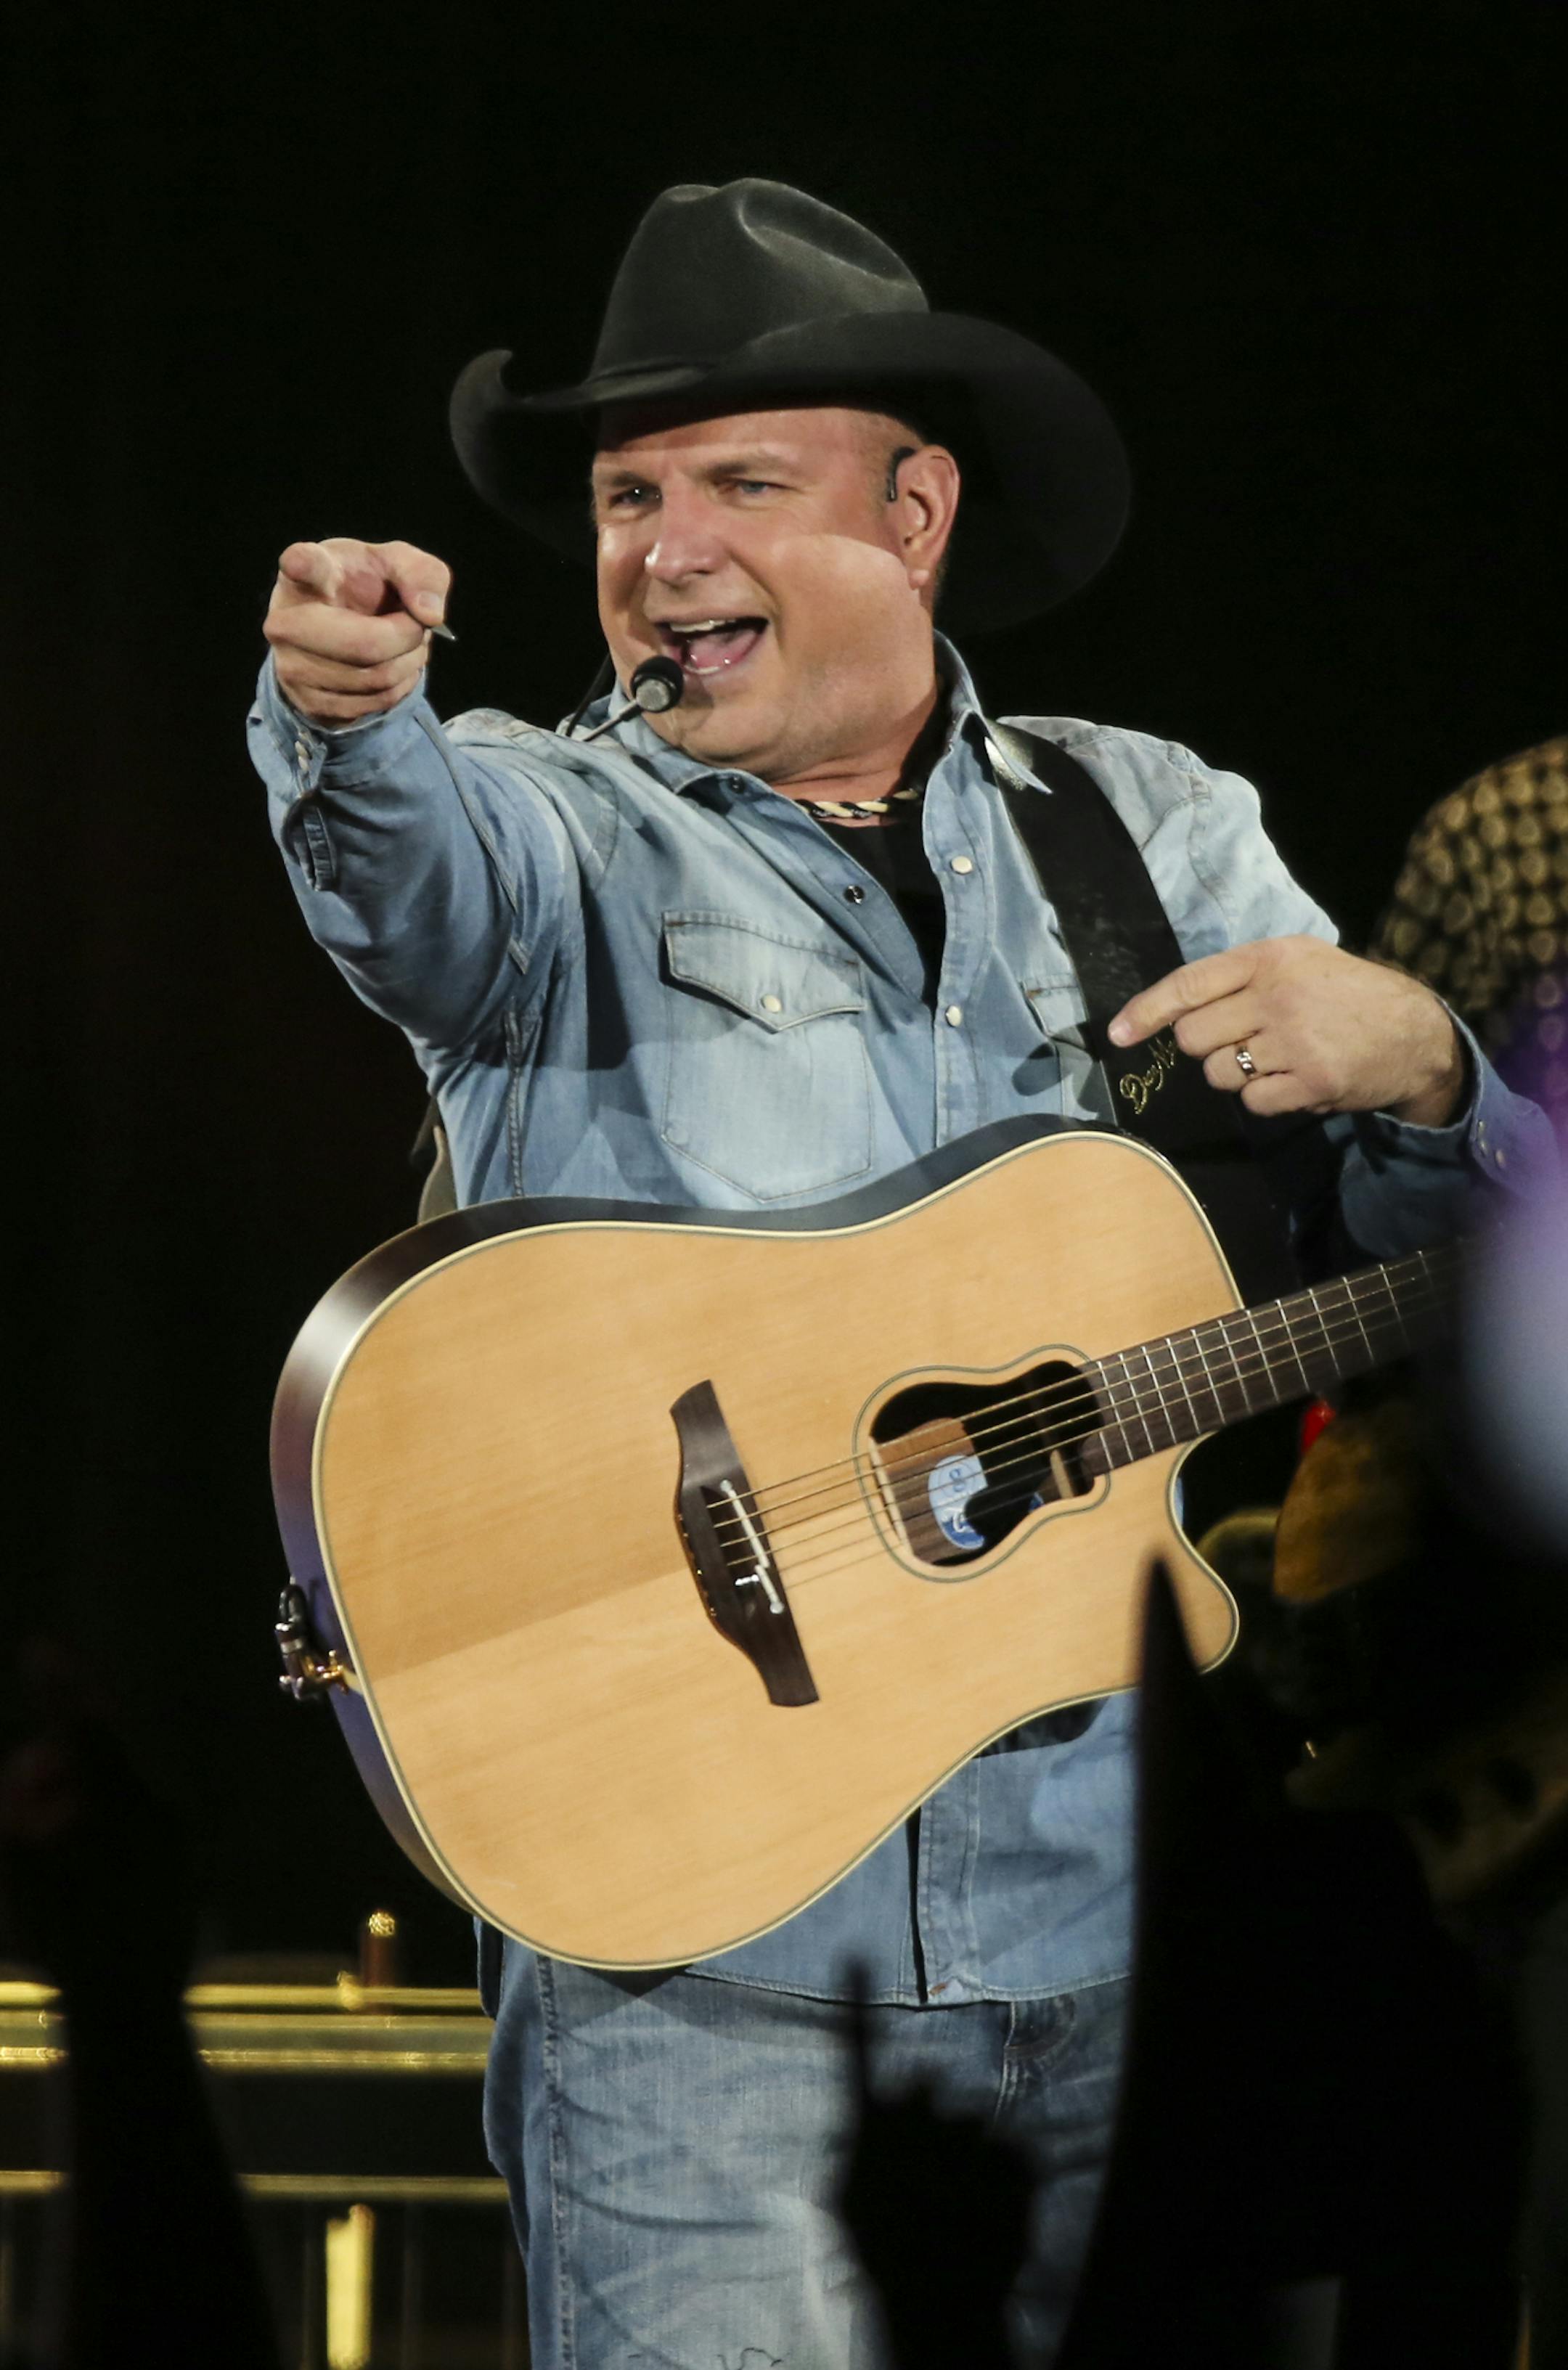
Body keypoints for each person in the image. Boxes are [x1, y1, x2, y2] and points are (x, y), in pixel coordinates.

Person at [248, 179, 1555, 2368]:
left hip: (1136, 1965)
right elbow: (408, 879)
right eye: (628, 497)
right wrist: (347, 715)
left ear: (917, 514)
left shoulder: (1153, 829)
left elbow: (1478, 1291)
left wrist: (1429, 1067)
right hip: (706, 1992)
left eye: (743, 486)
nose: (665, 551)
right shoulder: (558, 830)